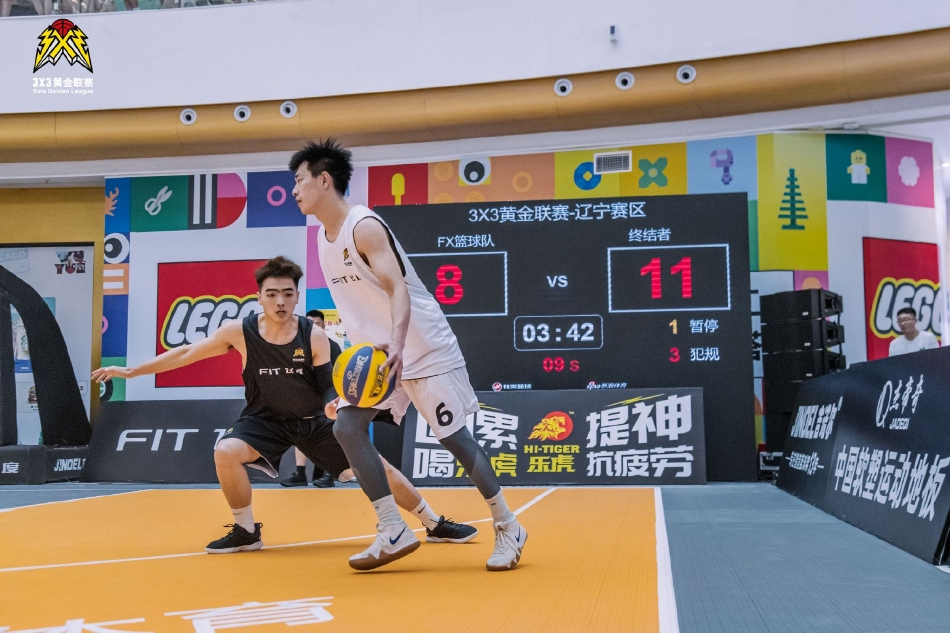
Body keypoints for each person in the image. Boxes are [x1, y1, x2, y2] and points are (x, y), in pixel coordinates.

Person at [92, 256, 476, 554]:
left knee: (380, 468)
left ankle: (434, 523)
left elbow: (331, 386)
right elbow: (186, 353)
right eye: (272, 293)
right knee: (225, 452)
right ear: (259, 296)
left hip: (313, 422)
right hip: (264, 421)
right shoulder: (239, 332)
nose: (280, 301)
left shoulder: (314, 336)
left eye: (288, 293)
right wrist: (132, 371)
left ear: (296, 296)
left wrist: (334, 405)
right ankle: (246, 531)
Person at [291, 139, 527, 572]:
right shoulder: (323, 239)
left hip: (421, 347)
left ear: (324, 180)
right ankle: (392, 528)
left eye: (299, 180)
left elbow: (397, 289)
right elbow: (360, 310)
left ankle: (508, 525)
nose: (294, 190)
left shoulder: (364, 226)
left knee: (454, 440)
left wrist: (398, 343)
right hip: (380, 357)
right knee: (346, 427)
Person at [280, 309, 340, 488]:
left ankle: (329, 474)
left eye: (317, 324)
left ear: (324, 325)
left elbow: (338, 374)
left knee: (330, 434)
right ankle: (300, 474)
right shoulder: (297, 346)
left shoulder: (332, 346)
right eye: (309, 323)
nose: (313, 327)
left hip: (328, 397)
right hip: (305, 397)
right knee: (301, 431)